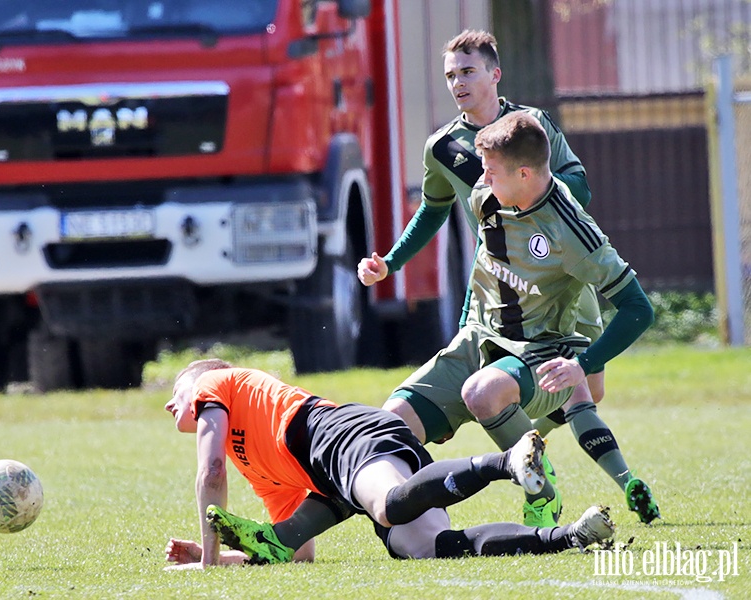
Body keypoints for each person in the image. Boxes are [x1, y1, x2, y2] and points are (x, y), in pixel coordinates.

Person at [357, 30, 659, 526]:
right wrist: (390, 262)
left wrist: (536, 229)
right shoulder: (443, 146)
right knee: (511, 392)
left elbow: (577, 185)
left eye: (468, 71)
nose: (458, 82)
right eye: (451, 74)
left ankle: (525, 438)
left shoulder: (530, 128)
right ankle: (531, 463)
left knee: (588, 388)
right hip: (495, 294)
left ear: (494, 74)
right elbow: (433, 212)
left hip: (555, 279)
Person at [163, 358, 615, 568]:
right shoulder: (258, 464)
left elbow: (210, 471)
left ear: (202, 384)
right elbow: (297, 554)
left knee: (386, 506)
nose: (170, 406)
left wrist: (208, 564)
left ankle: (507, 461)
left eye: (177, 394)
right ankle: (570, 535)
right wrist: (214, 556)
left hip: (340, 434)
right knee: (431, 547)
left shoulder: (216, 382)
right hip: (338, 469)